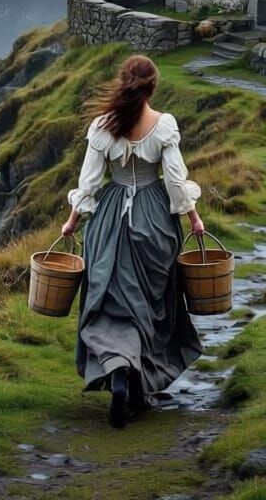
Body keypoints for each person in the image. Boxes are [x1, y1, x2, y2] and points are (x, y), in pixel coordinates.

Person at [62, 54, 205, 428]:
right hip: (154, 221)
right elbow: (175, 180)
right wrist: (193, 217)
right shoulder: (163, 126)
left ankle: (120, 373)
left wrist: (73, 219)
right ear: (152, 86)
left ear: (122, 81)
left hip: (109, 221)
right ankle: (138, 381)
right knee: (150, 302)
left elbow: (89, 183)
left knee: (108, 299)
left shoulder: (102, 127)